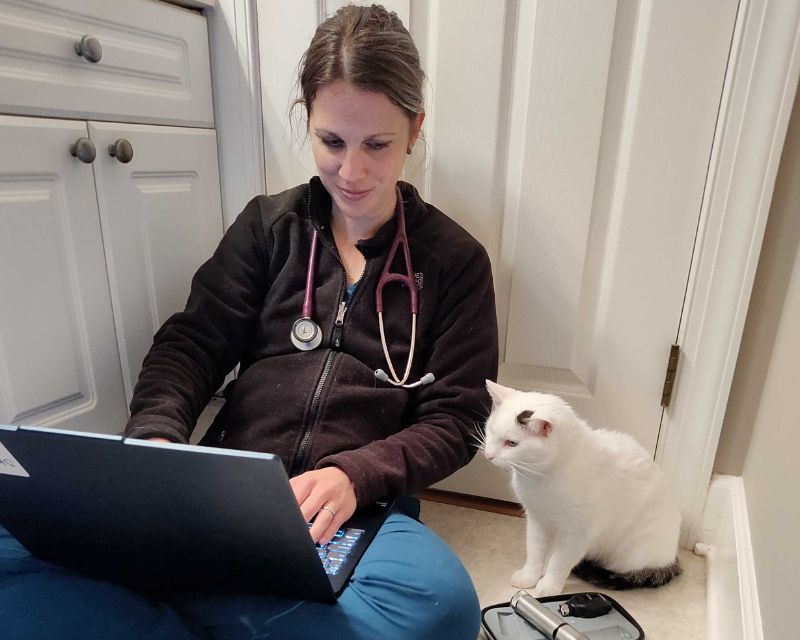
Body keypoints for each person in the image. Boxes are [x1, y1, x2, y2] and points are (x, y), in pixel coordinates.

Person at [0, 5, 498, 639]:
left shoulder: (455, 261)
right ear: (306, 119)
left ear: (414, 128)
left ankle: (169, 612)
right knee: (15, 537)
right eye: (331, 141)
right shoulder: (268, 226)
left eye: (377, 145)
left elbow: (458, 420)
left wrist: (355, 475)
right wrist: (157, 444)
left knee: (442, 606)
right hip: (225, 490)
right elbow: (190, 345)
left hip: (351, 510)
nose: (351, 172)